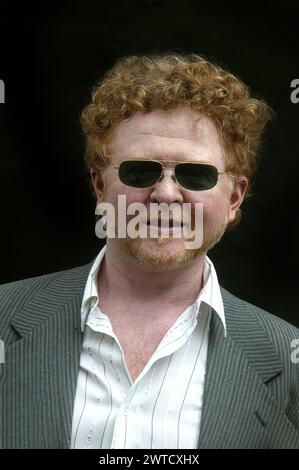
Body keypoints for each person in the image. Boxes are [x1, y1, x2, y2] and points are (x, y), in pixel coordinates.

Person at [0, 53, 298, 449]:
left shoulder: (287, 361)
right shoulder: (5, 318)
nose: (165, 194)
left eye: (196, 174)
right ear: (100, 186)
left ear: (234, 198)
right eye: (140, 170)